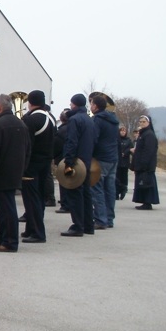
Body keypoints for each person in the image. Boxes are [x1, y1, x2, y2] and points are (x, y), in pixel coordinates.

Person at [0, 94, 30, 252]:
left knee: (6, 210)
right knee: (4, 208)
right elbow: (28, 150)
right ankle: (1, 236)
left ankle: (9, 241)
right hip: (15, 172)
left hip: (1, 173)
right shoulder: (21, 124)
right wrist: (22, 169)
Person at [19, 90, 55, 243]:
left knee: (31, 199)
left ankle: (38, 233)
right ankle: (31, 229)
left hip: (31, 164)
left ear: (30, 102)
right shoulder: (51, 118)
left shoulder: (32, 120)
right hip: (45, 162)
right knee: (39, 198)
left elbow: (26, 145)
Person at [60, 94, 96, 237]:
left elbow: (71, 141)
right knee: (86, 194)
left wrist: (68, 161)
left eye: (71, 104)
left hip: (76, 162)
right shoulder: (89, 119)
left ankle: (77, 226)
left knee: (75, 193)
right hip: (86, 160)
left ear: (74, 104)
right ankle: (88, 225)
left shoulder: (74, 120)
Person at [89, 95, 119, 229]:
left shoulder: (97, 120)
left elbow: (93, 139)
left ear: (95, 106)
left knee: (97, 188)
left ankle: (101, 220)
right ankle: (109, 218)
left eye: (91, 104)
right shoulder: (114, 120)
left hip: (101, 158)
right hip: (113, 158)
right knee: (110, 189)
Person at [131, 115, 159, 210]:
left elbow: (148, 151)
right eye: (140, 122)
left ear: (148, 123)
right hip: (141, 164)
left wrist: (143, 163)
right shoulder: (142, 134)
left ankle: (147, 202)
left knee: (147, 183)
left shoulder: (149, 135)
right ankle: (144, 201)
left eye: (144, 122)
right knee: (142, 183)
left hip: (147, 166)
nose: (142, 123)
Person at [53, 110, 70, 213]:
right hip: (70, 158)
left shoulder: (61, 131)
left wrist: (53, 155)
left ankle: (65, 204)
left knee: (63, 182)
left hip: (62, 158)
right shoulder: (71, 128)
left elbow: (56, 146)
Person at [116, 125, 133, 200]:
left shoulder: (128, 140)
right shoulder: (117, 139)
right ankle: (116, 192)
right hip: (117, 161)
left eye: (124, 131)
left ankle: (123, 190)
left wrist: (125, 153)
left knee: (124, 178)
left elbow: (131, 149)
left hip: (125, 162)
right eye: (121, 131)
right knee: (116, 177)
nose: (122, 132)